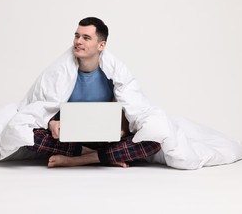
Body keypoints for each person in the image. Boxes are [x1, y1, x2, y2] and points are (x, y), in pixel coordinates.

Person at [26, 17, 161, 168]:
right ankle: (105, 156)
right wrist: (51, 123)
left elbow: (130, 107)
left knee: (154, 141)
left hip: (104, 139)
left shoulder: (113, 72)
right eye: (77, 36)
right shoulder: (60, 71)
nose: (78, 41)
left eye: (86, 37)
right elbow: (44, 107)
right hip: (68, 138)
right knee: (25, 135)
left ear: (101, 45)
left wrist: (121, 129)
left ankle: (79, 159)